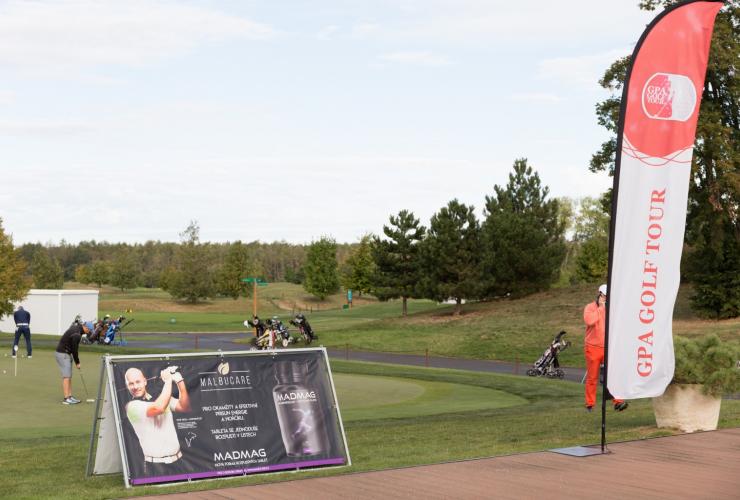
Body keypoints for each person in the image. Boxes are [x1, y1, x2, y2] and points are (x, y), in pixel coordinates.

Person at [124, 366, 191, 475]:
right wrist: (168, 380)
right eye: (131, 383)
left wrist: (179, 381)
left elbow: (184, 407)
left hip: (179, 460)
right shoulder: (131, 406)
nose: (135, 387)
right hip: (156, 466)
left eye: (138, 382)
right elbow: (158, 408)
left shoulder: (161, 398)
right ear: (127, 386)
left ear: (145, 381)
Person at [583, 284, 628, 412]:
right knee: (592, 377)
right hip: (592, 347)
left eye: (608, 297)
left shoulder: (612, 308)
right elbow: (590, 321)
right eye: (604, 296)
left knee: (613, 375)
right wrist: (601, 308)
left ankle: (618, 401)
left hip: (608, 347)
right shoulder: (590, 307)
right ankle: (590, 403)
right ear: (599, 294)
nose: (606, 299)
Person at [55, 320, 90, 405]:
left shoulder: (77, 329)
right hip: (63, 354)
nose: (89, 331)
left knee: (69, 376)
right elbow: (75, 350)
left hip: (66, 353)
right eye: (88, 329)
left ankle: (69, 396)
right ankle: (66, 398)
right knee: (66, 376)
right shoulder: (77, 334)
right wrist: (77, 362)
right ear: (84, 327)